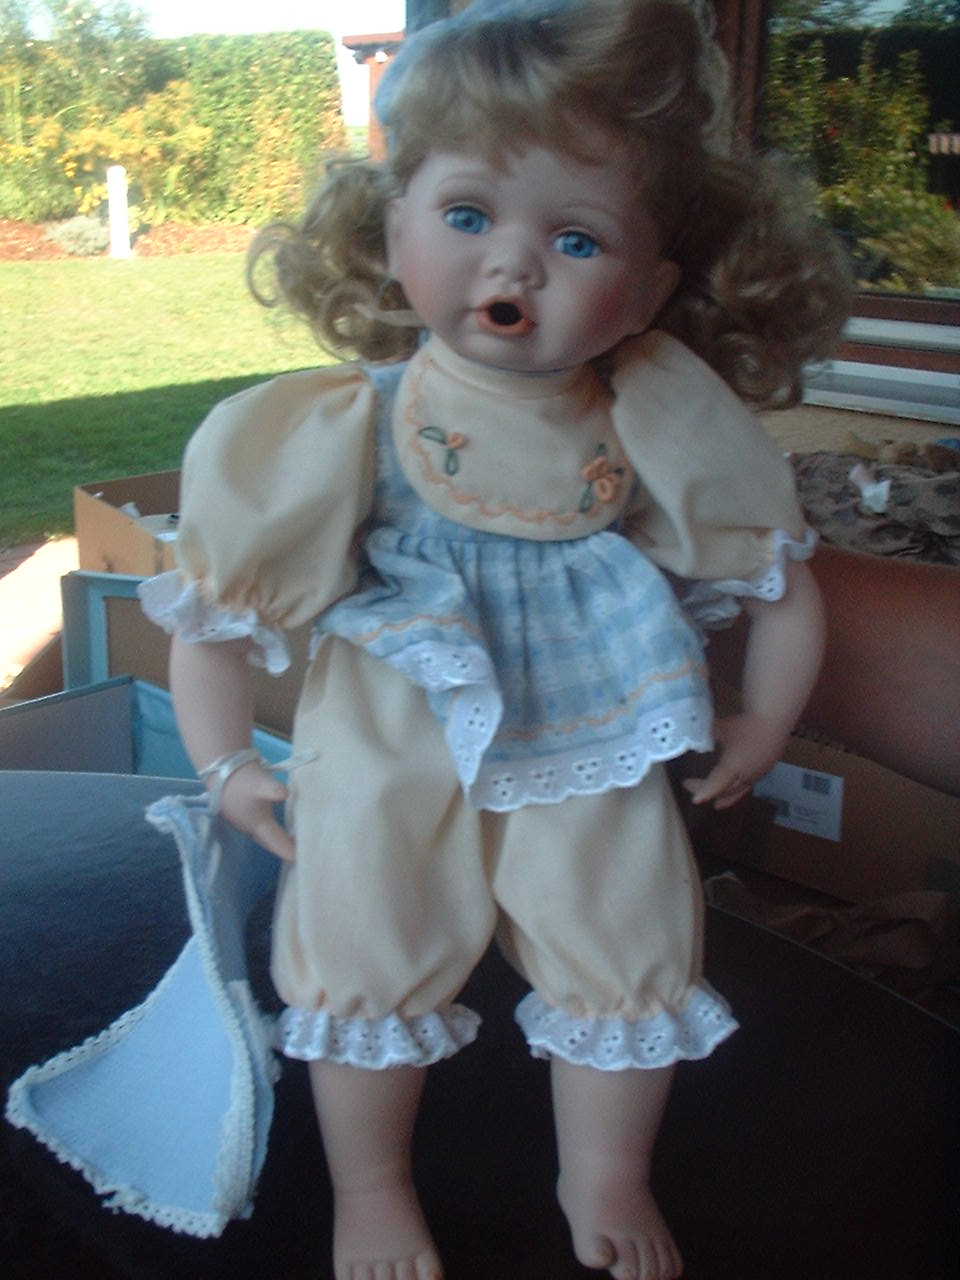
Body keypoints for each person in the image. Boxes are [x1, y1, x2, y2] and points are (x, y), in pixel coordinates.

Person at [140, 2, 850, 1277]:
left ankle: (605, 1171)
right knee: (365, 939)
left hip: (592, 736)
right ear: (393, 225)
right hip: (387, 747)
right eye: (467, 215)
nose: (512, 267)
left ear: (650, 289)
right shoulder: (340, 425)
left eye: (577, 240)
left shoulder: (654, 417)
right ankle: (372, 1186)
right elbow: (216, 616)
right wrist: (226, 763)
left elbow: (777, 581)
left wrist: (763, 719)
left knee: (623, 935)